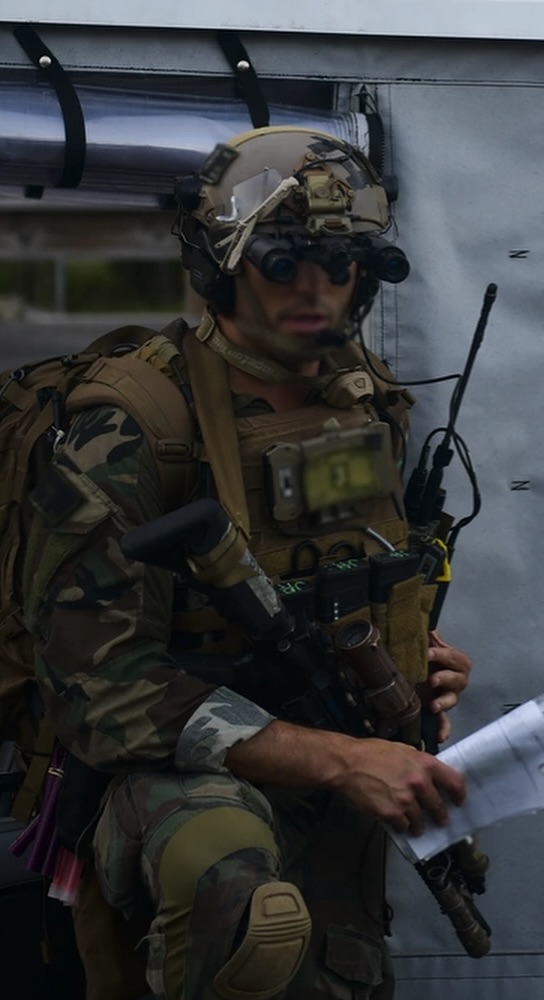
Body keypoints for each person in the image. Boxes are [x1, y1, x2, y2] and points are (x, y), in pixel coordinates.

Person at [20, 126, 473, 1000]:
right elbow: (100, 693)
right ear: (220, 267)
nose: (316, 289)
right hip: (178, 788)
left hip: (333, 778)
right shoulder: (135, 424)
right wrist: (336, 759)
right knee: (231, 876)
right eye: (283, 262)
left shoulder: (366, 399)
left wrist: (410, 663)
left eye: (342, 264)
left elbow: (355, 571)